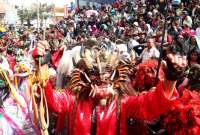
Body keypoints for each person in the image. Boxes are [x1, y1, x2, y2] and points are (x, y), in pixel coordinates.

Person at [39, 41, 187, 135]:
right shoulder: (73, 99)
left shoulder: (123, 102)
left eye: (107, 74)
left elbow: (150, 105)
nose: (102, 79)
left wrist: (170, 80)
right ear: (84, 75)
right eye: (95, 74)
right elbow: (52, 102)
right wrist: (42, 64)